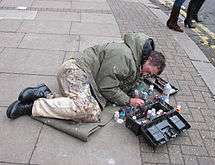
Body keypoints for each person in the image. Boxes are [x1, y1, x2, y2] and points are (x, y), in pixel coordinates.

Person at [6, 32, 166, 123]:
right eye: (148, 71)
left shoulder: (135, 61)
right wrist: (128, 101)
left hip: (84, 77)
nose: (146, 75)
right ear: (147, 59)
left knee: (90, 109)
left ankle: (44, 93)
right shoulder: (125, 57)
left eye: (150, 75)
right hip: (75, 72)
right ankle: (33, 106)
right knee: (88, 111)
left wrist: (135, 90)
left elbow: (126, 81)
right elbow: (107, 87)